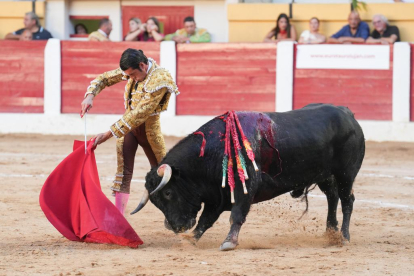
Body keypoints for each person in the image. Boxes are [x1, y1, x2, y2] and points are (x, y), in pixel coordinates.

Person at [80, 49, 179, 216]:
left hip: (149, 133)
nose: (130, 78)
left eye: (133, 75)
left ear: (142, 65)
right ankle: (118, 217)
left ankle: (176, 215)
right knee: (123, 174)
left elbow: (139, 113)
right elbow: (104, 78)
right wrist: (90, 95)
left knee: (164, 176)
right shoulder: (133, 70)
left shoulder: (160, 78)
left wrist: (108, 134)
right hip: (129, 130)